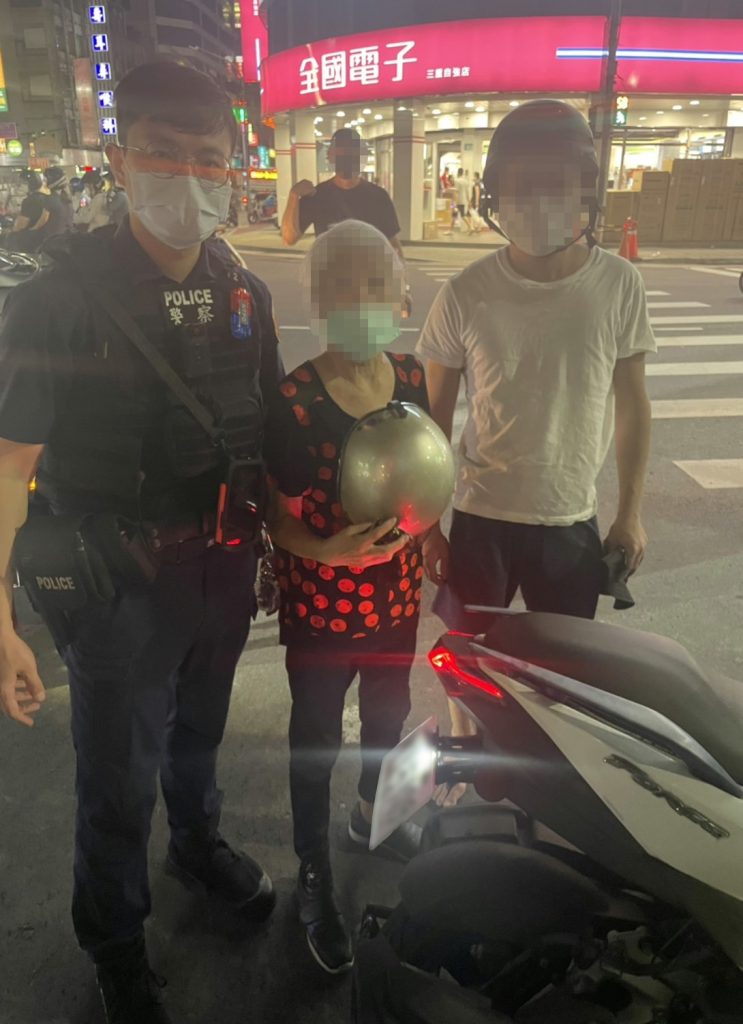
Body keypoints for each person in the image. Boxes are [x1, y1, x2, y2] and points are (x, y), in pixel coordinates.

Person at [0, 61, 283, 1024]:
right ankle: (116, 941)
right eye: (164, 153)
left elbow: (265, 436)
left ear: (232, 169)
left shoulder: (243, 291)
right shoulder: (57, 299)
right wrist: (0, 620)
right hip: (115, 582)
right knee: (117, 779)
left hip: (222, 565)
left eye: (209, 158)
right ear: (121, 161)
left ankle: (196, 848)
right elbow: (7, 466)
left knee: (198, 733)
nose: (188, 175)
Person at [418, 100, 655, 781]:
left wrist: (630, 512)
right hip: (481, 520)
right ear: (495, 193)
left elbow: (633, 405)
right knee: (468, 660)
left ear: (586, 189)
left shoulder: (618, 285)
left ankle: (555, 783)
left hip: (569, 522)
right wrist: (428, 527)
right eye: (522, 184)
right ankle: (470, 762)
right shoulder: (465, 292)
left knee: (563, 675)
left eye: (557, 181)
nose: (540, 199)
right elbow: (433, 422)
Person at [265, 220, 427, 975]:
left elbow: (424, 470)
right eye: (343, 289)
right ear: (320, 302)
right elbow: (276, 517)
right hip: (324, 610)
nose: (362, 302)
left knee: (388, 716)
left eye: (376, 286)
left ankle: (371, 816)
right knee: (316, 737)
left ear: (398, 295)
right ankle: (312, 872)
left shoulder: (413, 377)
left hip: (398, 599)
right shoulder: (295, 400)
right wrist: (327, 551)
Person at [8, 171, 50, 251]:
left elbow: (20, 225)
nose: (18, 186)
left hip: (29, 242)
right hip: (43, 239)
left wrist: (12, 230)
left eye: (22, 183)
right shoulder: (46, 197)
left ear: (30, 184)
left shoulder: (29, 201)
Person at [43, 167, 75, 237]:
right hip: (68, 236)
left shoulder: (50, 199)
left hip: (54, 238)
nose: (44, 183)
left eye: (45, 180)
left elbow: (42, 221)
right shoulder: (67, 198)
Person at [454, 167, 473, 233]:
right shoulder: (466, 181)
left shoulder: (456, 181)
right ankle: (470, 227)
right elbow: (467, 192)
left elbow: (456, 192)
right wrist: (469, 201)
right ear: (463, 173)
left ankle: (470, 227)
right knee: (466, 214)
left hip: (459, 200)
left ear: (458, 173)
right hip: (465, 201)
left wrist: (455, 202)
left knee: (462, 215)